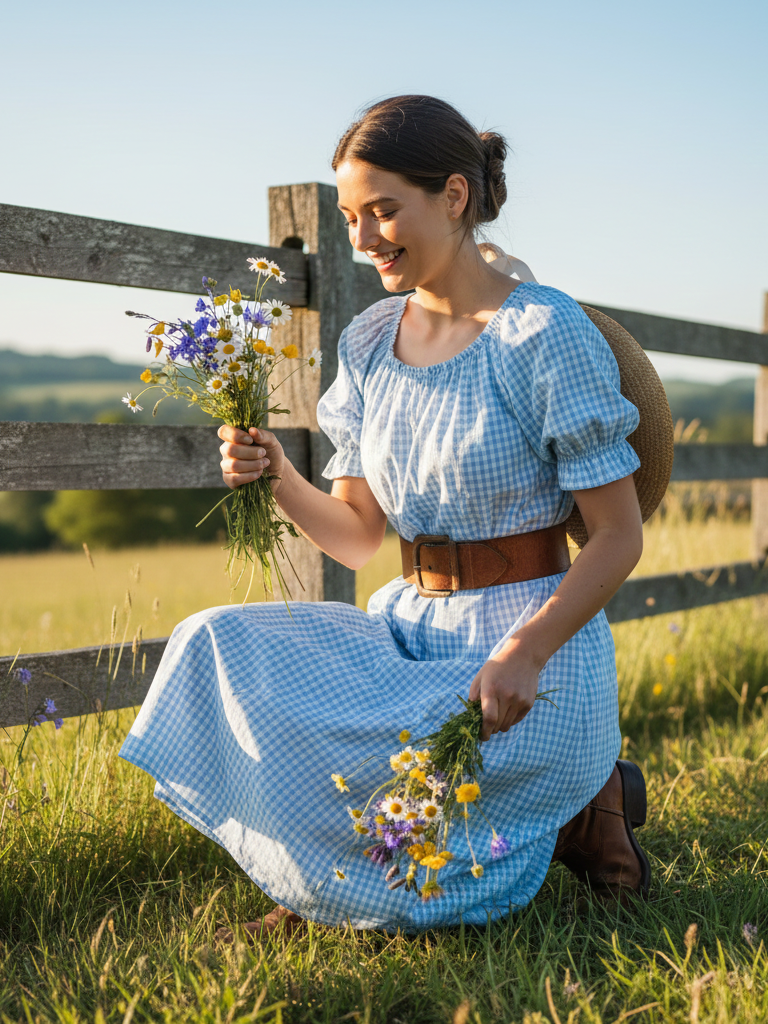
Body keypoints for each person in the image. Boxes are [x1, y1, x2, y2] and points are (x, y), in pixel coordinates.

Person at [119, 94, 651, 939]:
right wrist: (279, 477)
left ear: (453, 196)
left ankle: (575, 797)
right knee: (218, 638)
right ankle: (323, 880)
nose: (364, 240)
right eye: (350, 217)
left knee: (428, 871)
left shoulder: (544, 332)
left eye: (383, 211)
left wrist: (525, 650)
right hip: (412, 630)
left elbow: (620, 538)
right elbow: (360, 534)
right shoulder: (369, 340)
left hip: (530, 660)